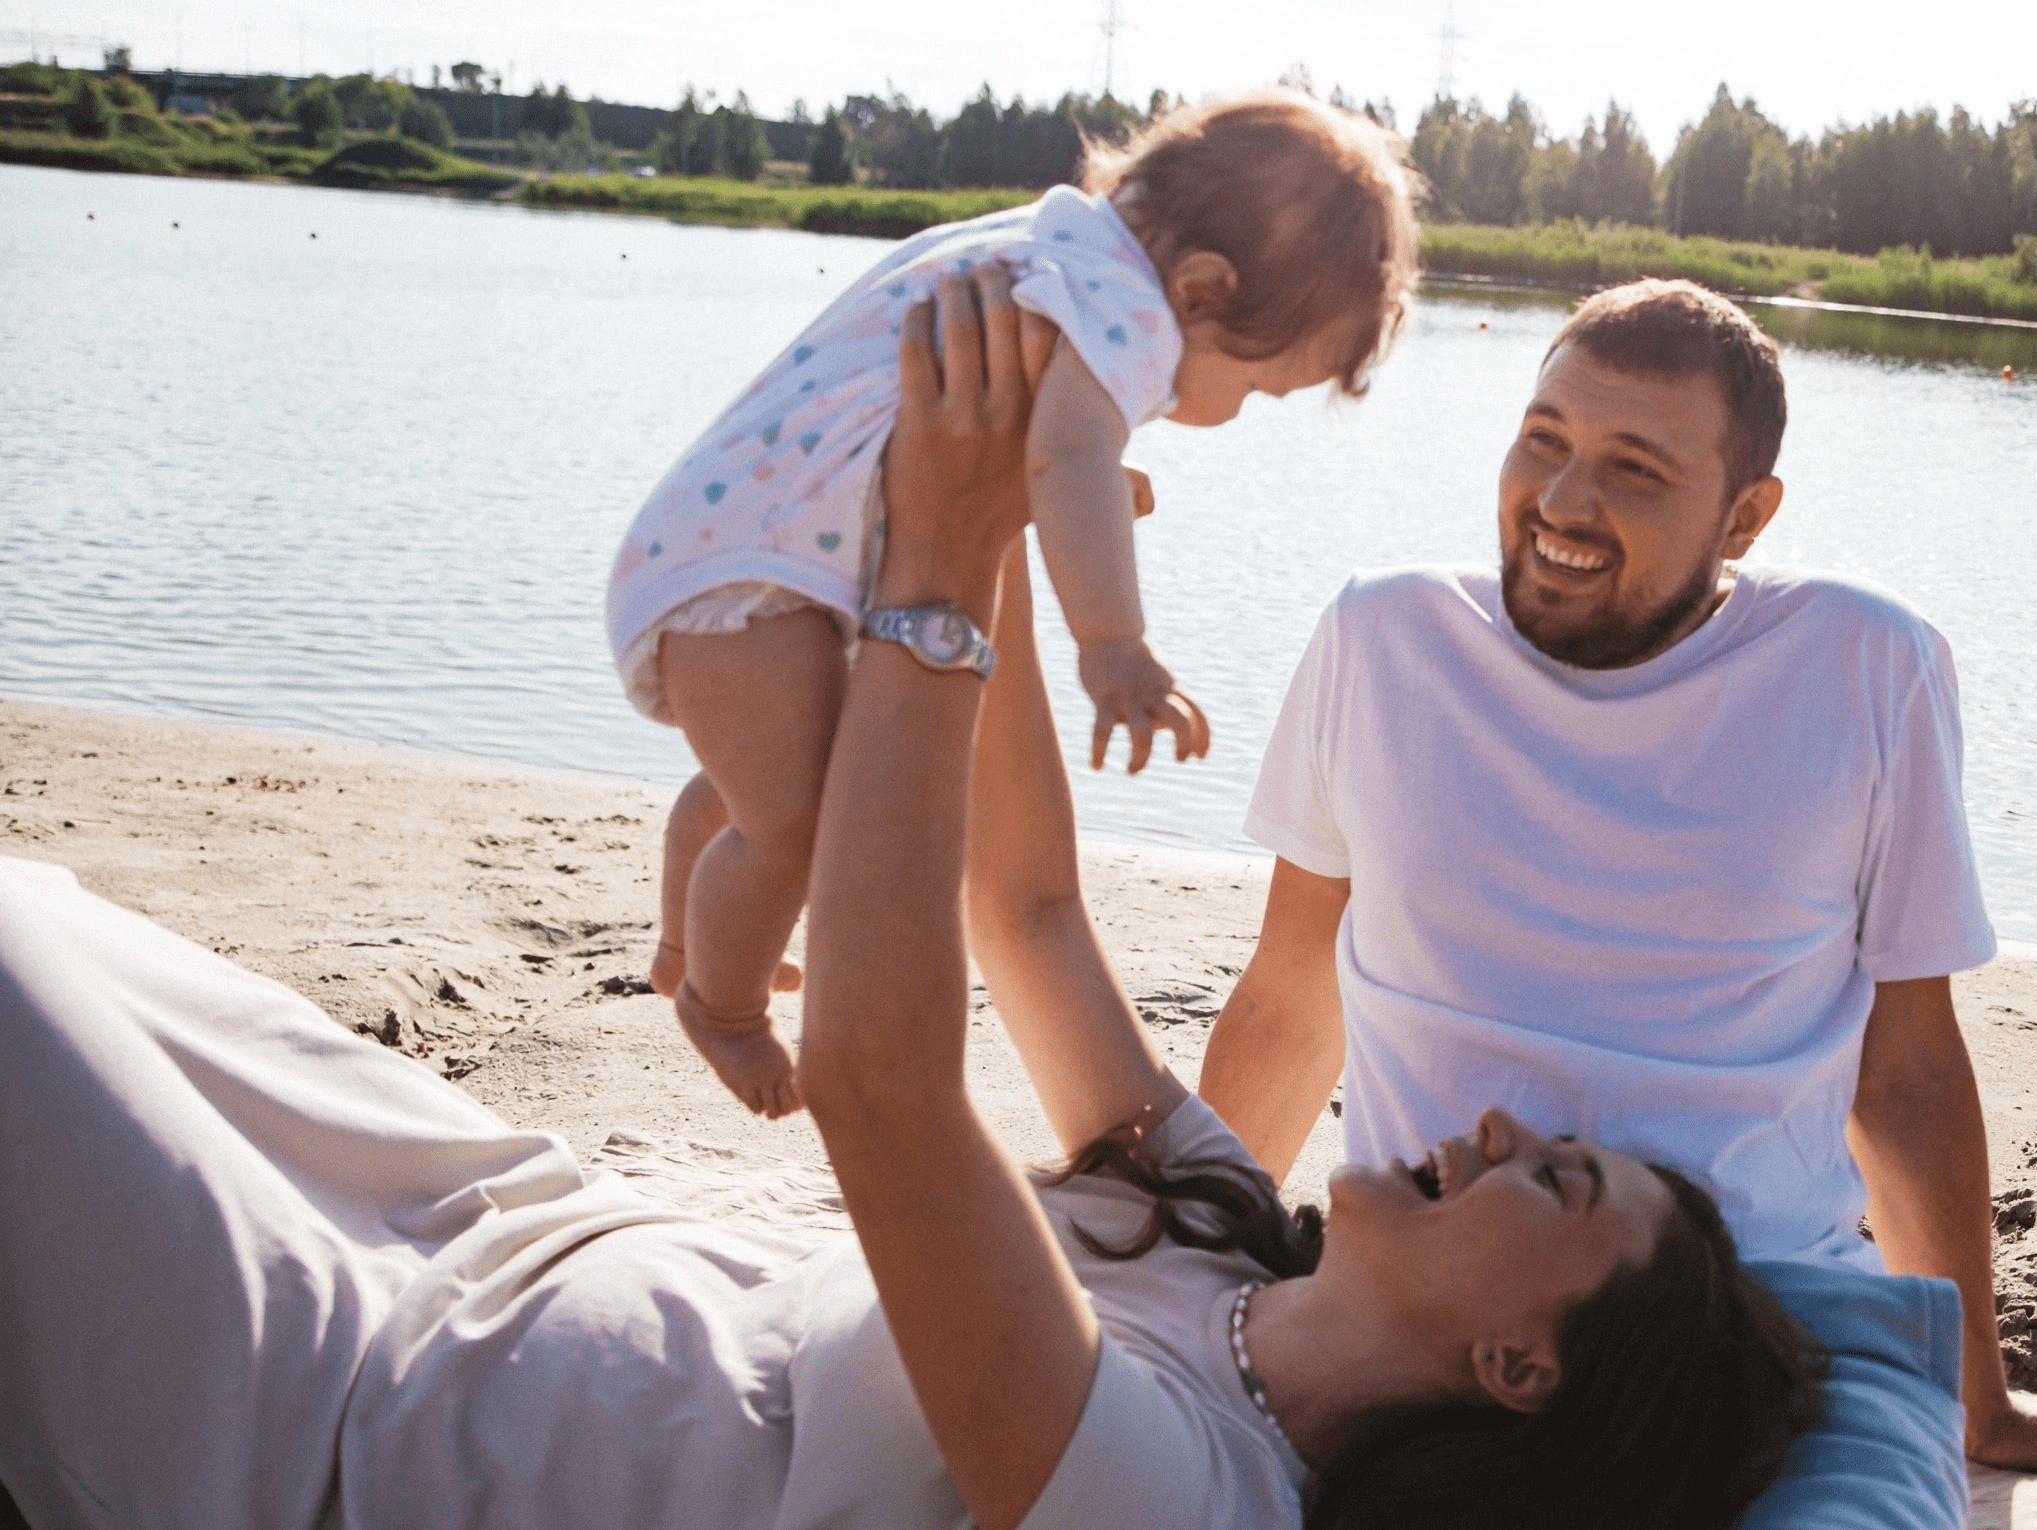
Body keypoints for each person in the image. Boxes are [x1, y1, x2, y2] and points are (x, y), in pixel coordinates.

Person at [0, 268, 1832, 1530]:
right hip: (478, 1209)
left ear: (1521, 1366)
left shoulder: (1190, 1495)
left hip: (360, 1408)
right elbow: (1025, 904)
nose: (1503, 1124)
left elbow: (880, 1075)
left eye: (1564, 1178)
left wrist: (932, 581)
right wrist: (1006, 497)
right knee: (41, 902)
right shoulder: (1214, 1219)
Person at [1198, 279, 2037, 1502]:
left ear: (1746, 515)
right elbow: (1291, 999)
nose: (1561, 502)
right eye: (1543, 440)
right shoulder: (1380, 639)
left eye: (1635, 469)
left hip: (1781, 1318)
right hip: (1442, 1310)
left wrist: (1978, 1393)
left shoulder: (1869, 667)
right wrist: (1190, 1271)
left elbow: (1906, 1065)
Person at [605, 91, 1420, 1119]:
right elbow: (1069, 449)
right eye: (1255, 388)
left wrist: (1074, 479)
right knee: (802, 821)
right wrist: (1113, 644)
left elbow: (1050, 444)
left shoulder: (1055, 244)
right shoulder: (1124, 311)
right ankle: (718, 1005)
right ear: (1204, 291)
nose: (1233, 410)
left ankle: (689, 937)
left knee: (771, 777)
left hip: (721, 547)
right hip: (754, 579)